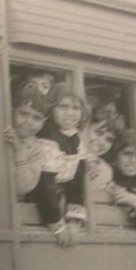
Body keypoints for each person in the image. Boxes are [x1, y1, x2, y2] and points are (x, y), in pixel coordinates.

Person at [3, 87, 76, 248]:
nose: (28, 121)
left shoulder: (39, 149)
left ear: (43, 122)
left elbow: (22, 187)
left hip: (19, 216)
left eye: (36, 118)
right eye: (23, 113)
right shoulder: (1, 133)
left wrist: (19, 151)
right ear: (12, 111)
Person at [39, 85, 90, 225]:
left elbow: (77, 181)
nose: (70, 113)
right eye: (63, 107)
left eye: (76, 108)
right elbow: (46, 183)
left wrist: (74, 219)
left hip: (61, 198)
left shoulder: (76, 137)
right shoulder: (47, 135)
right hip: (43, 202)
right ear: (51, 109)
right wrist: (56, 222)